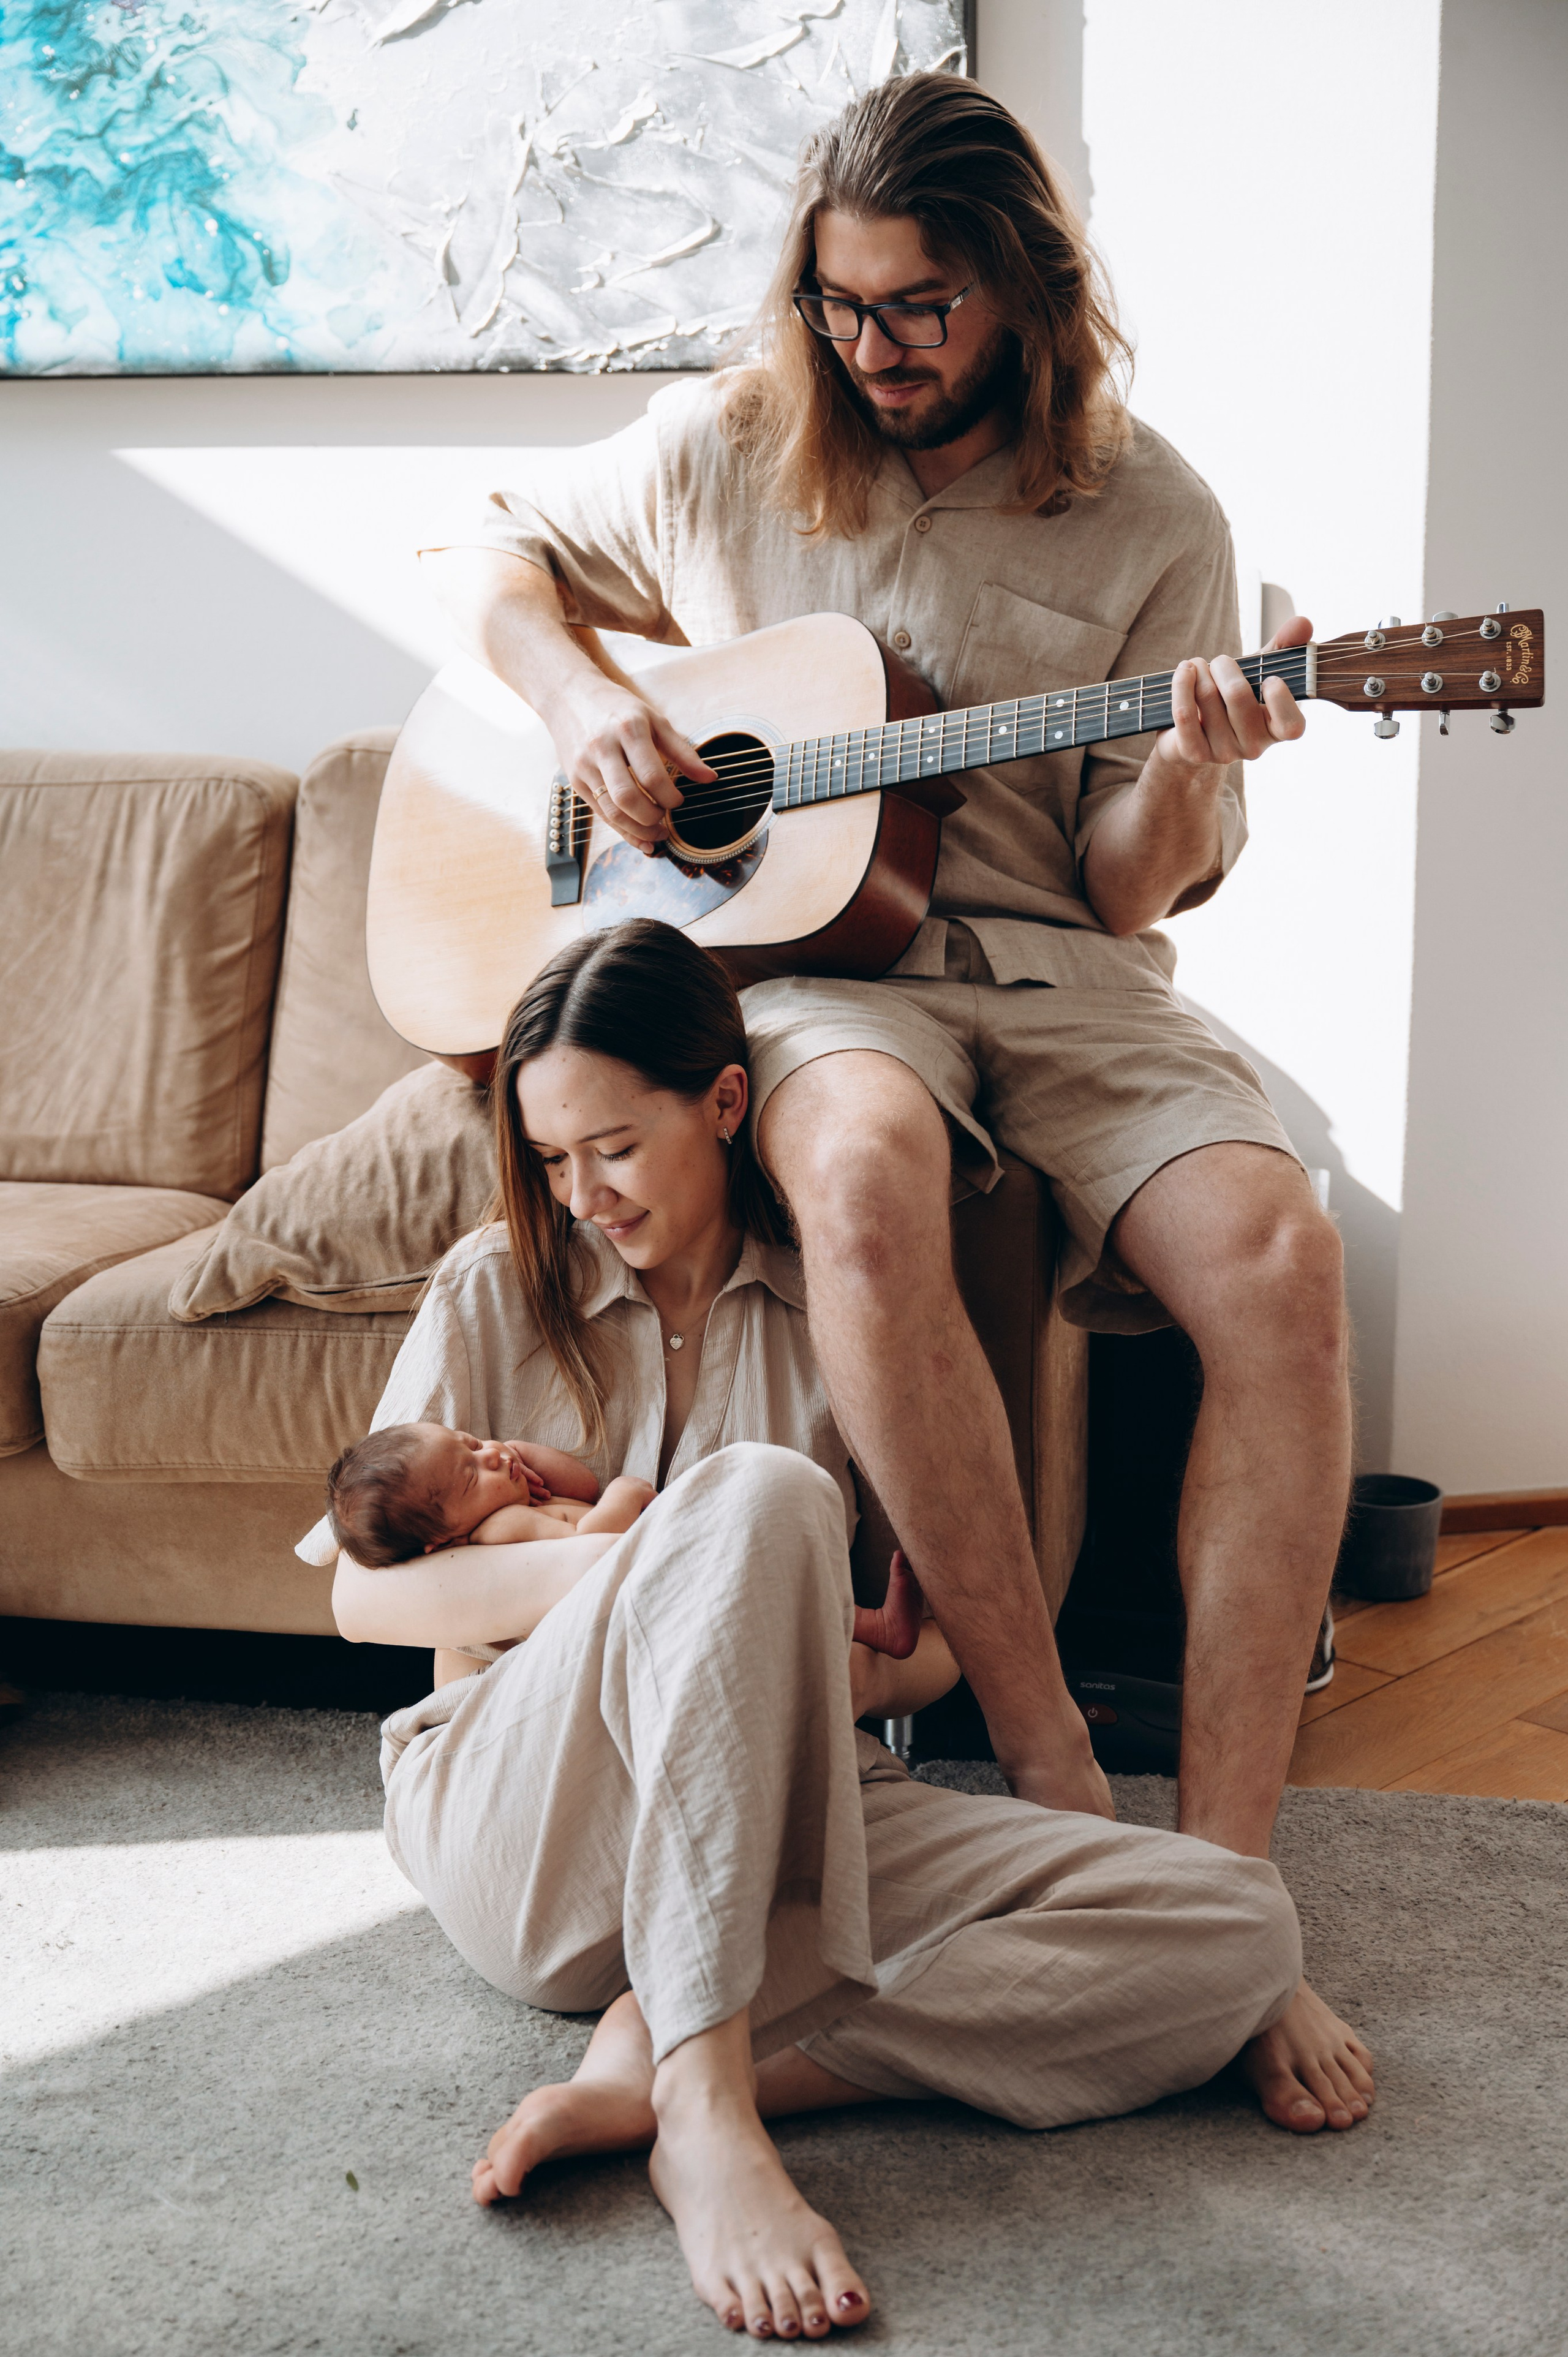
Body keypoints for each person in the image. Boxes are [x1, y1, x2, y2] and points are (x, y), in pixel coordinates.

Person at [419, 70, 1371, 2140]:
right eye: (842, 304)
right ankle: (1050, 1772)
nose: (875, 346)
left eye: (921, 306)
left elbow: (1129, 884)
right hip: (823, 976)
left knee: (1281, 1253)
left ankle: (1230, 1882)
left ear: (1025, 287)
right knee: (851, 1171)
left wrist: (1193, 764)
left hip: (1065, 971)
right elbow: (493, 558)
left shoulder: (1158, 513)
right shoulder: (729, 439)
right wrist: (587, 702)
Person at [326, 920, 1302, 2342]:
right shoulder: (494, 1284)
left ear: (724, 1102)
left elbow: (928, 1653)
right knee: (756, 1496)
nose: (581, 1193)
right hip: (528, 1822)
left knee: (1237, 1925)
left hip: (787, 1804)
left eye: (613, 1145)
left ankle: (664, 2059)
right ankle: (710, 2110)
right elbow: (360, 1597)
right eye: (550, 1158)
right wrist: (667, 1582)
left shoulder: (836, 1310)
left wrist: (785, 1650)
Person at [325, 1417, 957, 1709]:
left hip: (652, 1577)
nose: (490, 1454)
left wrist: (522, 1455)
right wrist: (627, 1494)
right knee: (763, 1593)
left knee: (780, 1593)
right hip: (627, 1606)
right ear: (441, 1541)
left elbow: (580, 1482)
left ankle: (874, 1628)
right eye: (471, 1472)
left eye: (472, 1442)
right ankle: (873, 1627)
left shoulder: (516, 1497)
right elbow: (593, 1539)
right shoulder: (500, 1530)